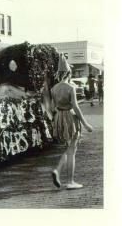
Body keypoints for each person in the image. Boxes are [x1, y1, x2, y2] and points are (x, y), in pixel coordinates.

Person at [51, 53, 93, 190]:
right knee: (72, 151)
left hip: (59, 118)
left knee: (68, 148)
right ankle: (70, 181)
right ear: (68, 72)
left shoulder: (54, 88)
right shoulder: (71, 88)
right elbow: (75, 106)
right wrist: (86, 124)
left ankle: (58, 170)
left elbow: (53, 108)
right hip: (70, 117)